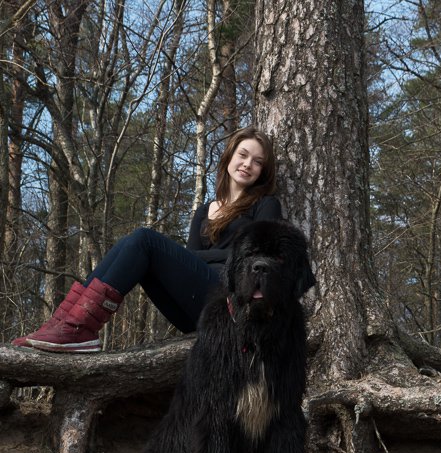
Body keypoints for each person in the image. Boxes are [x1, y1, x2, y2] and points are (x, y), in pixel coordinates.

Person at [12, 126, 282, 353]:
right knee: (131, 246)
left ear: (263, 171)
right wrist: (194, 259)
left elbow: (257, 257)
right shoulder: (205, 211)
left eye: (257, 161)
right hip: (194, 310)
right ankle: (65, 322)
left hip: (229, 302)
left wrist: (197, 259)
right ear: (229, 157)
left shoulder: (265, 205)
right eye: (243, 155)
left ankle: (80, 329)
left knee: (145, 240)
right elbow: (189, 259)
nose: (248, 164)